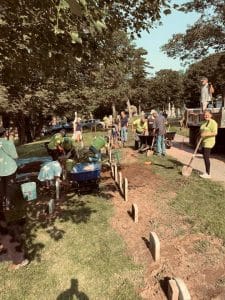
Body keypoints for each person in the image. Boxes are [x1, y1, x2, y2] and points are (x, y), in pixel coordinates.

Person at [0, 127, 18, 211]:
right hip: (9, 168)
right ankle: (8, 205)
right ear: (5, 133)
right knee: (10, 186)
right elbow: (15, 156)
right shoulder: (9, 143)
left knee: (2, 186)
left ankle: (3, 204)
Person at [199, 110, 218, 179]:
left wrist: (206, 134)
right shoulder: (204, 122)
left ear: (211, 115)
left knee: (206, 157)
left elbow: (215, 133)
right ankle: (206, 172)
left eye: (207, 115)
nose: (206, 116)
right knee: (204, 156)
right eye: (204, 115)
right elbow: (201, 131)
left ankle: (208, 173)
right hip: (203, 141)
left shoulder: (213, 123)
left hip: (209, 141)